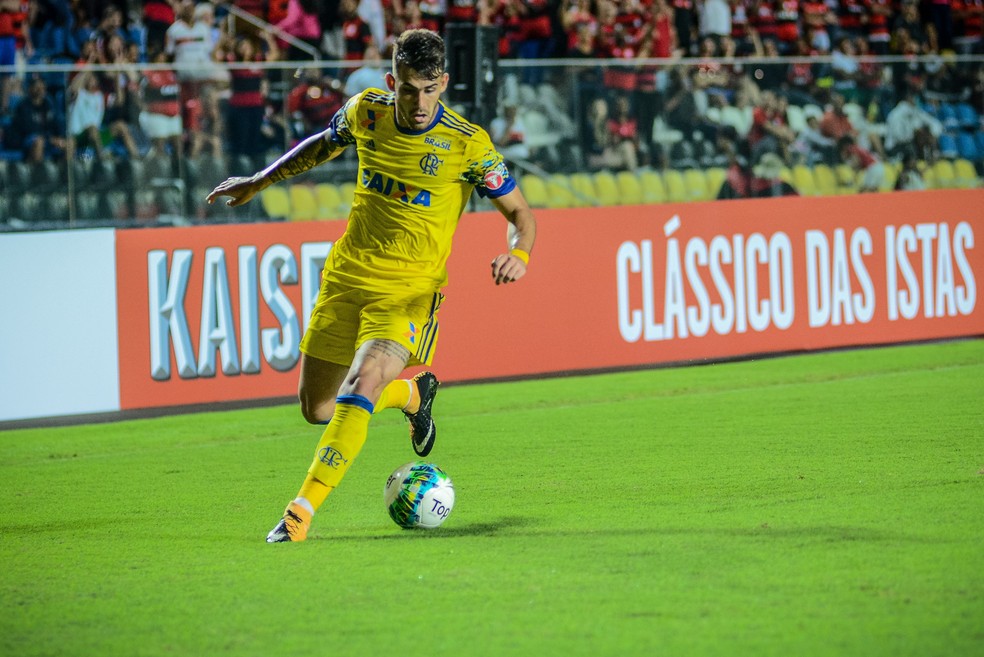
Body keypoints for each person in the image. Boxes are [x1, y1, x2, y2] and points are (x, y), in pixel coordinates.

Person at [205, 29, 537, 543]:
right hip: (347, 278)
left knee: (359, 386)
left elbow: (519, 212)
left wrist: (518, 252)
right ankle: (411, 394)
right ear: (392, 81)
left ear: (443, 83)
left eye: (430, 89)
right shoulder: (367, 111)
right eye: (409, 88)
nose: (420, 101)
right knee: (318, 409)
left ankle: (299, 513)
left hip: (407, 293)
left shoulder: (467, 143)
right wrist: (260, 180)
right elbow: (320, 146)